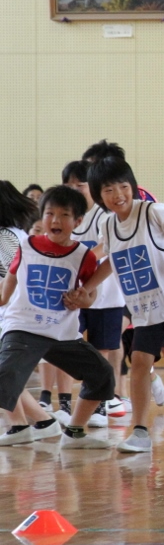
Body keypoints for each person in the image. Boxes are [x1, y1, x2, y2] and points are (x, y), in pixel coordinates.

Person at [66, 157, 164, 454]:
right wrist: (86, 288)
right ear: (98, 194)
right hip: (147, 310)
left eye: (123, 186)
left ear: (132, 186)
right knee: (141, 363)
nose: (118, 195)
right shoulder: (108, 224)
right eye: (108, 190)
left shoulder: (155, 212)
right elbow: (111, 262)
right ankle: (141, 432)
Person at [0, 186, 116, 450]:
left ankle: (74, 432)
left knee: (103, 375)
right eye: (50, 213)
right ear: (42, 217)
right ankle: (18, 427)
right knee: (5, 375)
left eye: (64, 215)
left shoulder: (83, 256)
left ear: (77, 222)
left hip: (63, 333)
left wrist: (83, 298)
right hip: (24, 328)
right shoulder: (26, 246)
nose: (55, 220)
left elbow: (90, 295)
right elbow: (5, 294)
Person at [0, 181, 65, 445]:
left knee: (4, 373)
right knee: (5, 373)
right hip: (18, 311)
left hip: (10, 312)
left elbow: (7, 277)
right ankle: (41, 421)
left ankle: (23, 424)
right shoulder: (18, 233)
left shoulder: (6, 236)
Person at [64, 159, 128, 422]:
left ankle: (101, 403)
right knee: (69, 347)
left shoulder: (106, 215)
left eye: (81, 185)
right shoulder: (65, 214)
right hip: (74, 297)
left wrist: (80, 260)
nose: (75, 190)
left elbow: (107, 248)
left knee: (102, 352)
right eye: (69, 185)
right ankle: (66, 404)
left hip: (107, 297)